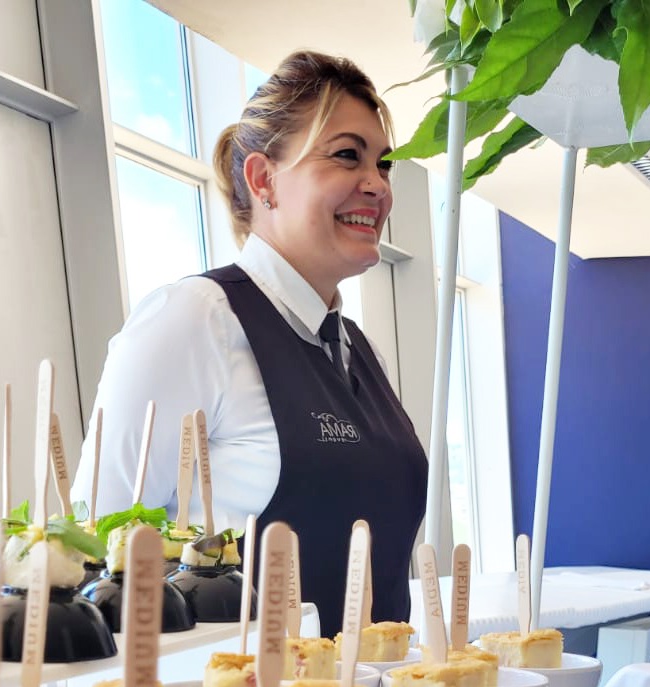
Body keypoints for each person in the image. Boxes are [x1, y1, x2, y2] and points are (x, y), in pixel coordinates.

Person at [72, 50, 428, 636]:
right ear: (264, 180)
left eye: (383, 165)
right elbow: (97, 551)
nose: (377, 185)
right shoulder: (197, 319)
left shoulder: (361, 351)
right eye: (347, 155)